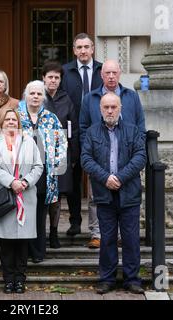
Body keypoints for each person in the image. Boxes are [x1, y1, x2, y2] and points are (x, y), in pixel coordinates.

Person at [81, 92, 146, 295]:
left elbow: (140, 156)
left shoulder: (133, 130)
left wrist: (119, 177)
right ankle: (107, 279)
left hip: (129, 194)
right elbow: (86, 159)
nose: (110, 111)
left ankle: (132, 279)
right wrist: (106, 178)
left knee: (131, 238)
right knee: (107, 238)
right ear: (100, 109)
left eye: (113, 107)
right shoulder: (92, 132)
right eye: (106, 107)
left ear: (120, 108)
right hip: (104, 193)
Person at [79, 59, 146, 248]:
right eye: (107, 73)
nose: (110, 76)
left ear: (119, 74)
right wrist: (90, 151)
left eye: (114, 73)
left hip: (128, 159)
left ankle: (123, 238)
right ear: (101, 75)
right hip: (99, 158)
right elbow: (83, 127)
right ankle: (97, 234)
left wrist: (135, 149)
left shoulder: (131, 96)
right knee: (97, 198)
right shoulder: (90, 98)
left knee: (127, 207)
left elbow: (141, 125)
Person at [0, 109, 44, 294]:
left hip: (25, 196)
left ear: (18, 122)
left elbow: (38, 165)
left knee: (23, 243)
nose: (11, 122)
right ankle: (8, 280)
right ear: (1, 122)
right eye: (7, 119)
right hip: (5, 196)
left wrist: (25, 182)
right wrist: (12, 182)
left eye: (14, 119)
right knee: (6, 243)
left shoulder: (29, 140)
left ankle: (20, 280)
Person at [18, 80, 67, 263]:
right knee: (24, 213)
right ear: (26, 96)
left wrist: (56, 170)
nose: (36, 97)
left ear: (43, 97)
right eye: (32, 93)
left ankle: (38, 253)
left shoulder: (51, 118)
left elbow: (61, 144)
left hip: (45, 175)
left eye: (39, 94)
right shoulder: (17, 117)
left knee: (40, 214)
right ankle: (24, 253)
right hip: (22, 174)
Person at [61, 33, 103, 240]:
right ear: (74, 50)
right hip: (72, 133)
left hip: (99, 132)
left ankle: (99, 226)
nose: (83, 51)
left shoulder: (102, 70)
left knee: (98, 178)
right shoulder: (65, 72)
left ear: (93, 49)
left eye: (87, 47)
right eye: (79, 47)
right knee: (73, 179)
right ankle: (75, 222)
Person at [42, 60, 79, 249]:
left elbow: (73, 129)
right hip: (41, 155)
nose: (53, 81)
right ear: (43, 78)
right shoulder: (37, 96)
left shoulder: (66, 99)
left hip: (61, 153)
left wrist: (73, 157)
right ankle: (40, 234)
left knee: (56, 197)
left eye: (57, 77)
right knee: (42, 195)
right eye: (50, 77)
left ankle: (54, 233)